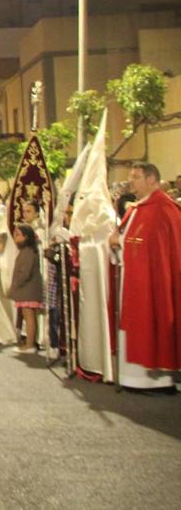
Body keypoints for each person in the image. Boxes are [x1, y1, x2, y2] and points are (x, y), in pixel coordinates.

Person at [108, 161, 181, 390]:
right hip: (135, 276)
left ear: (151, 180)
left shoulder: (163, 208)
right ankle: (135, 377)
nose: (132, 182)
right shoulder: (138, 207)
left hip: (154, 281)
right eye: (131, 177)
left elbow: (148, 246)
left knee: (153, 319)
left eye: (136, 177)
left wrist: (119, 241)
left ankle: (153, 380)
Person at [7, 223, 43, 355]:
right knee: (29, 317)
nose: (15, 237)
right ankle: (29, 343)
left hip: (28, 290)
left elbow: (25, 272)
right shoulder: (26, 250)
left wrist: (16, 283)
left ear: (26, 237)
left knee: (29, 318)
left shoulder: (28, 251)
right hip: (27, 290)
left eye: (18, 234)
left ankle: (29, 344)